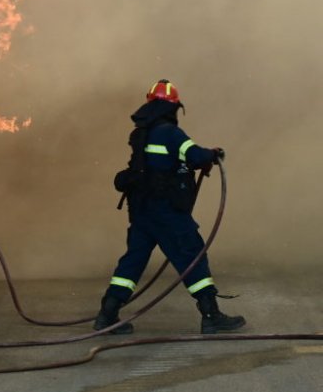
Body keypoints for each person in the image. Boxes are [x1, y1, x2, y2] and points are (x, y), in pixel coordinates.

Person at [94, 79, 246, 335]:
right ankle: (211, 315)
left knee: (133, 261)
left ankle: (107, 314)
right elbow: (195, 156)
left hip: (141, 210)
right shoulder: (170, 132)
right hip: (166, 211)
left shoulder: (141, 133)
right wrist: (213, 154)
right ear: (172, 108)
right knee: (192, 253)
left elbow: (159, 165)